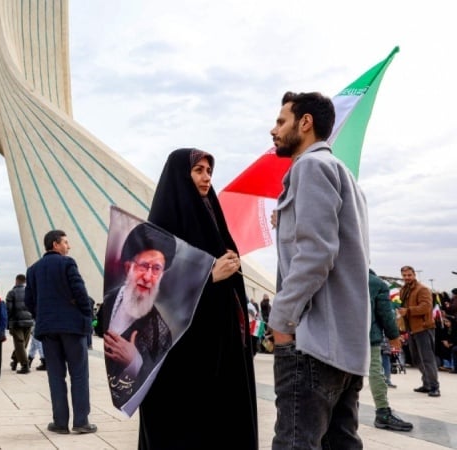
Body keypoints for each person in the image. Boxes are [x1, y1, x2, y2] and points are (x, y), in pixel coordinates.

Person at [269, 91, 371, 449]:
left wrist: (281, 321)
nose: (274, 130)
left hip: (312, 343)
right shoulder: (344, 175)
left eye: (281, 121)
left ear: (305, 123)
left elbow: (316, 253)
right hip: (345, 345)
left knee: (294, 442)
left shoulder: (310, 167)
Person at [141, 148, 257, 448]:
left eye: (209, 171)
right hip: (182, 354)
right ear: (181, 175)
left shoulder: (211, 216)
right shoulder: (160, 229)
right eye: (198, 170)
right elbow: (153, 290)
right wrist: (208, 276)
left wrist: (232, 264)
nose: (207, 178)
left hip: (219, 344)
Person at [24, 230, 97, 435]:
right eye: (65, 242)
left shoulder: (33, 269)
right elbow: (80, 291)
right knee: (79, 374)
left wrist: (42, 315)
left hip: (48, 329)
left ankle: (60, 422)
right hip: (72, 327)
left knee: (55, 376)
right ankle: (81, 421)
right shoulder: (67, 263)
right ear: (55, 244)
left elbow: (29, 300)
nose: (68, 246)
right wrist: (86, 314)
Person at [101, 222, 174, 410]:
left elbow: (160, 376)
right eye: (143, 266)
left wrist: (134, 361)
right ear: (128, 268)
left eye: (156, 269)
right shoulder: (109, 300)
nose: (148, 277)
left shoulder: (160, 330)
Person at [368, 268, 413, 431]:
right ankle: (383, 412)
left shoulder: (334, 277)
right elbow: (385, 314)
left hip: (338, 338)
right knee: (375, 372)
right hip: (369, 336)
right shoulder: (376, 283)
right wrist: (394, 336)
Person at [397, 265, 440, 397]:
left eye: (409, 275)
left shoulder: (422, 289)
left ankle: (434, 386)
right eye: (404, 275)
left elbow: (426, 307)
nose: (407, 277)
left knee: (427, 359)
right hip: (411, 329)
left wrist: (408, 311)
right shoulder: (404, 290)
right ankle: (427, 384)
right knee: (416, 359)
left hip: (424, 327)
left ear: (414, 275)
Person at [6, 274, 34, 374]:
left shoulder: (11, 293)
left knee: (19, 344)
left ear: (16, 281)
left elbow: (8, 309)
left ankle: (25, 365)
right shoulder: (30, 292)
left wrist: (8, 323)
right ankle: (15, 361)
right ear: (25, 282)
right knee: (23, 344)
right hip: (29, 321)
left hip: (16, 322)